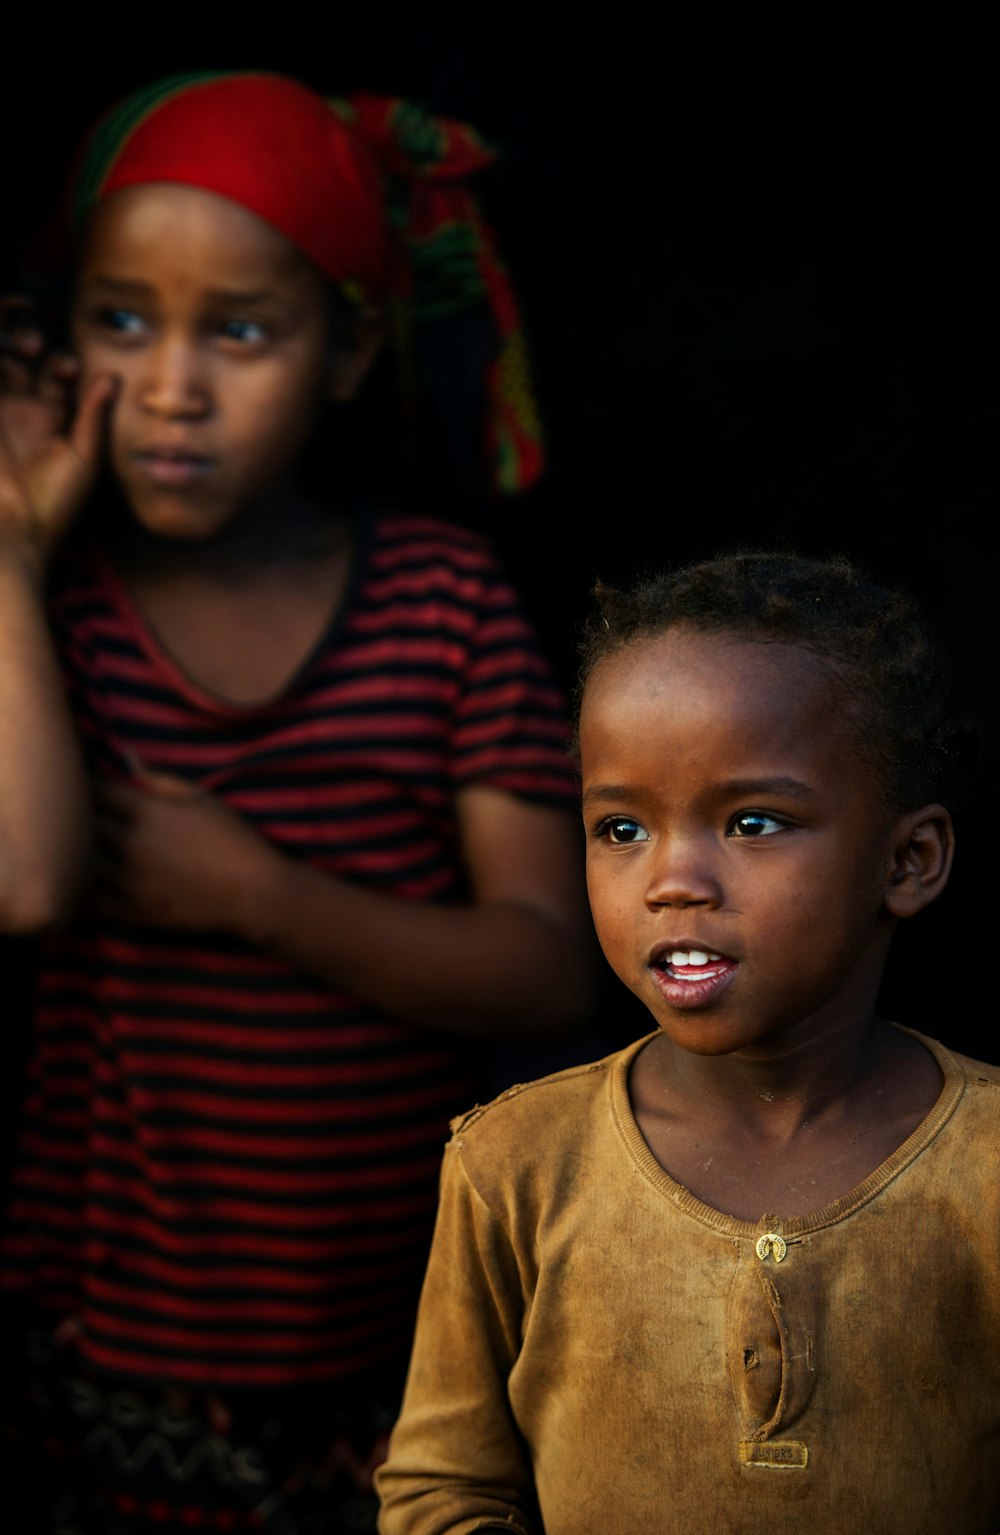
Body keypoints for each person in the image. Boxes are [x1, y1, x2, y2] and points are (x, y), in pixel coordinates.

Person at [0, 71, 592, 1534]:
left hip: (405, 1342)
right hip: (122, 1356)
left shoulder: (441, 605)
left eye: (242, 330)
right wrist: (8, 555)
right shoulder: (48, 617)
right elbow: (24, 880)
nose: (171, 387)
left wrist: (260, 892)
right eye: (119, 319)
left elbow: (549, 967)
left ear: (347, 349)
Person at [376, 550, 1000, 1534]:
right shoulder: (515, 1162)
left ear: (908, 859)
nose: (671, 880)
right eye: (619, 827)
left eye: (751, 821)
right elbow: (439, 1489)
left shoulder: (985, 1167)